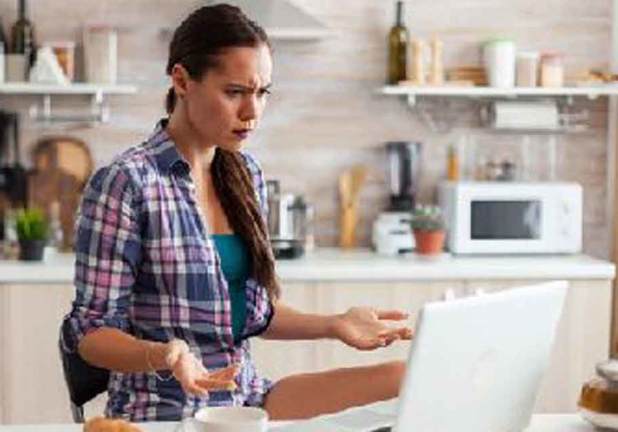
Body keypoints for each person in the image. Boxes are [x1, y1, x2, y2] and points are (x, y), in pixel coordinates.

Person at [62, 3, 412, 422]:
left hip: (246, 406)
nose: (253, 112)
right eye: (235, 92)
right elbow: (90, 333)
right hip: (162, 413)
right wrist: (163, 354)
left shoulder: (245, 175)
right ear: (182, 80)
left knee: (406, 377)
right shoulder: (127, 183)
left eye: (261, 92)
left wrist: (334, 323)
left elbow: (250, 312)